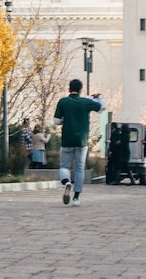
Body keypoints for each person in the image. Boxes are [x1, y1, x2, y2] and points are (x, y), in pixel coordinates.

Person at [53, 77, 105, 206]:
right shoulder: (85, 102)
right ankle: (76, 198)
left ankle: (66, 182)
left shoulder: (63, 102)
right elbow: (101, 108)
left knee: (65, 166)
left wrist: (65, 120)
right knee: (79, 168)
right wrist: (99, 97)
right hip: (82, 141)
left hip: (67, 139)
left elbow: (56, 121)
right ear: (81, 89)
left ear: (69, 88)